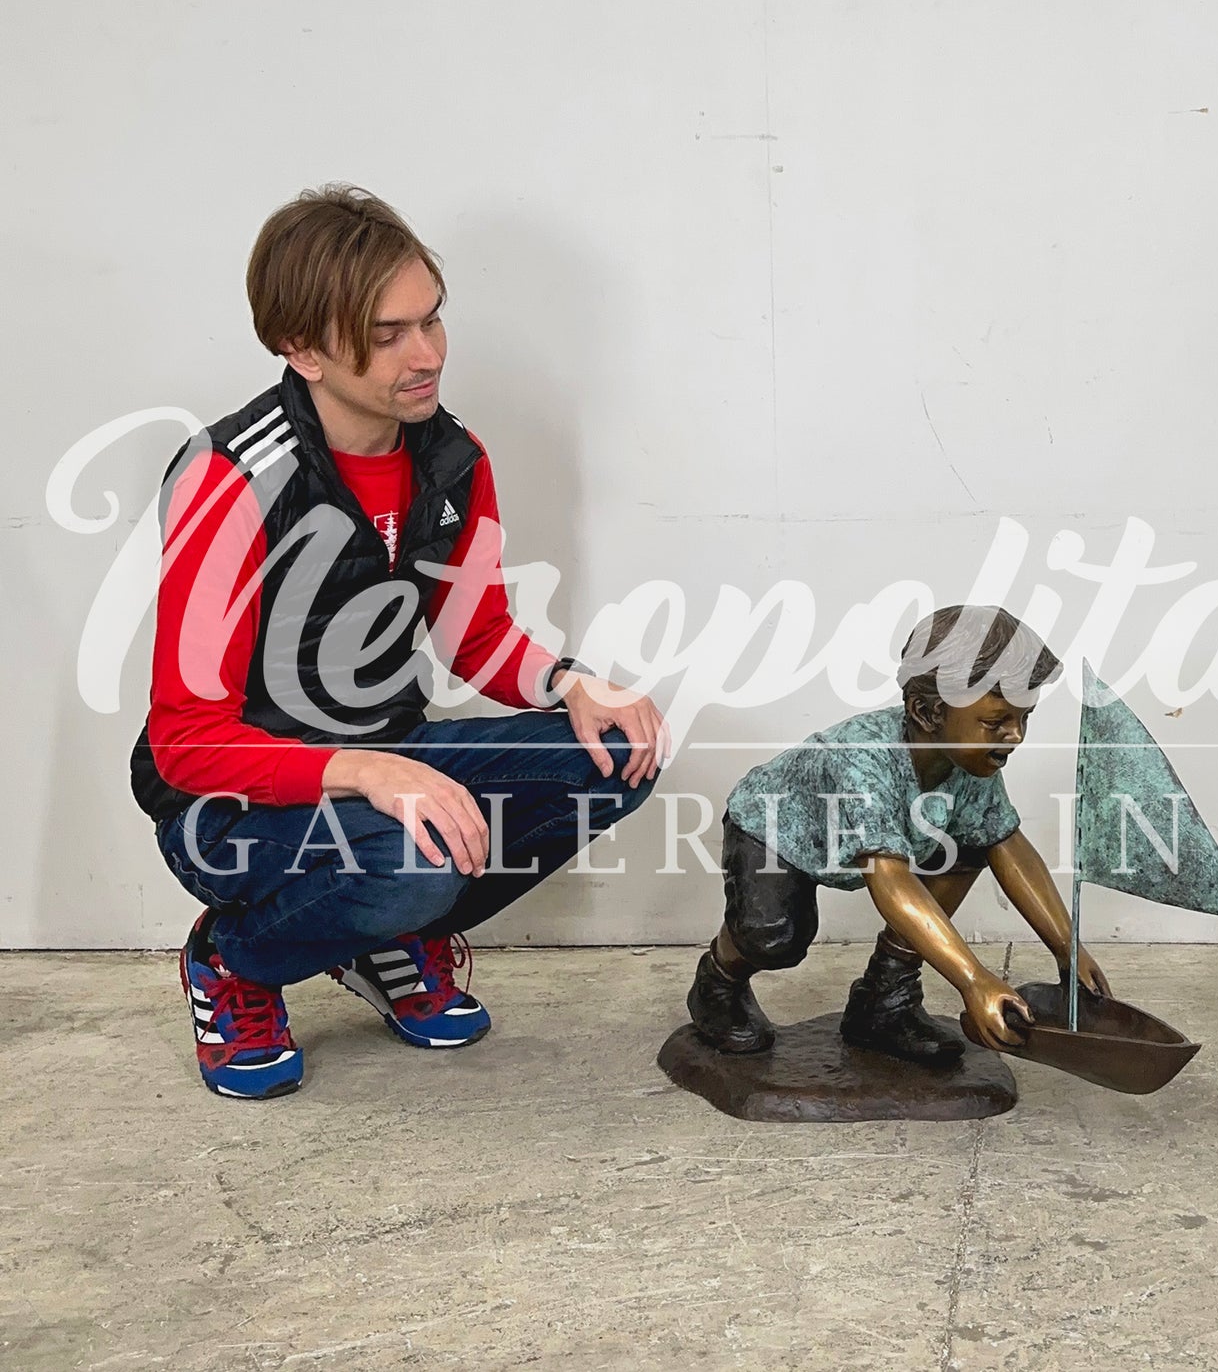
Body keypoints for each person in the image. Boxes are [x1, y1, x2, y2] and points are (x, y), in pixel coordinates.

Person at [132, 184, 667, 1100]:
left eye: (431, 321)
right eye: (386, 336)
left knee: (617, 749)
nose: (425, 356)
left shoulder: (450, 456)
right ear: (299, 347)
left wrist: (573, 681)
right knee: (412, 854)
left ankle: (379, 932)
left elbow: (476, 636)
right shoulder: (231, 478)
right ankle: (234, 961)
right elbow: (187, 739)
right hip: (225, 805)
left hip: (383, 759)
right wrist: (364, 770)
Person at [686, 604, 1110, 1064]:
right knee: (776, 940)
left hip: (886, 840)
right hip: (776, 834)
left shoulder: (967, 761)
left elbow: (1005, 842)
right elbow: (889, 880)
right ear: (927, 712)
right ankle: (717, 983)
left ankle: (884, 1002)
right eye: (996, 723)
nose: (1015, 736)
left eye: (1023, 719)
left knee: (971, 843)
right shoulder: (863, 760)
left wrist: (1068, 948)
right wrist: (973, 979)